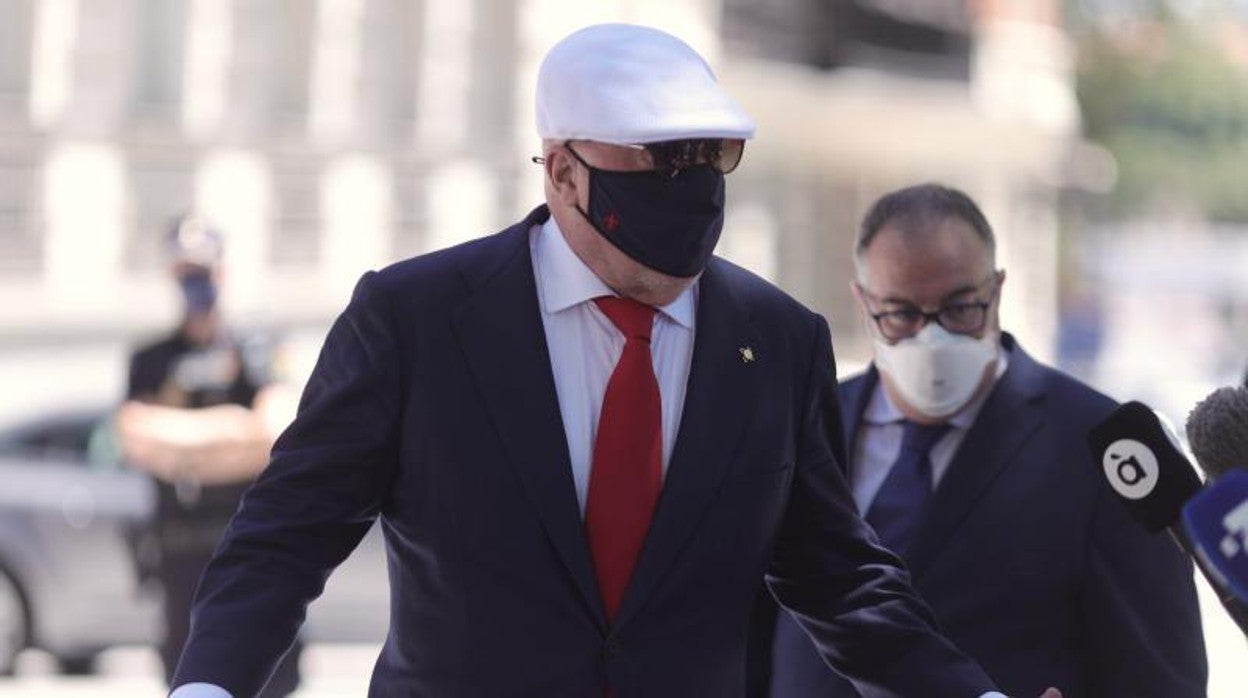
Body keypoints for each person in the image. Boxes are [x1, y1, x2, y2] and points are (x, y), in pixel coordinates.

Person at [169, 25, 1059, 698]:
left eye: (713, 155)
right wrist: (209, 685)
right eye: (660, 158)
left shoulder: (777, 340)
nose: (693, 185)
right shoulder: (417, 321)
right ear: (563, 171)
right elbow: (284, 536)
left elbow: (839, 576)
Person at [765, 184, 1208, 697]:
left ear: (996, 290)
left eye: (959, 309)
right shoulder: (800, 425)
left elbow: (1161, 677)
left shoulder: (1106, 449)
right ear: (863, 301)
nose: (931, 337)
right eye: (901, 313)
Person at [117, 214, 301, 697]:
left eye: (201, 269)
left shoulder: (256, 346)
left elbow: (273, 433)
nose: (194, 282)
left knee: (264, 678)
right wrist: (232, 429)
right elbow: (134, 435)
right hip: (180, 553)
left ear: (222, 269)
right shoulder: (152, 358)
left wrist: (178, 446)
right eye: (184, 271)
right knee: (189, 680)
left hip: (250, 548)